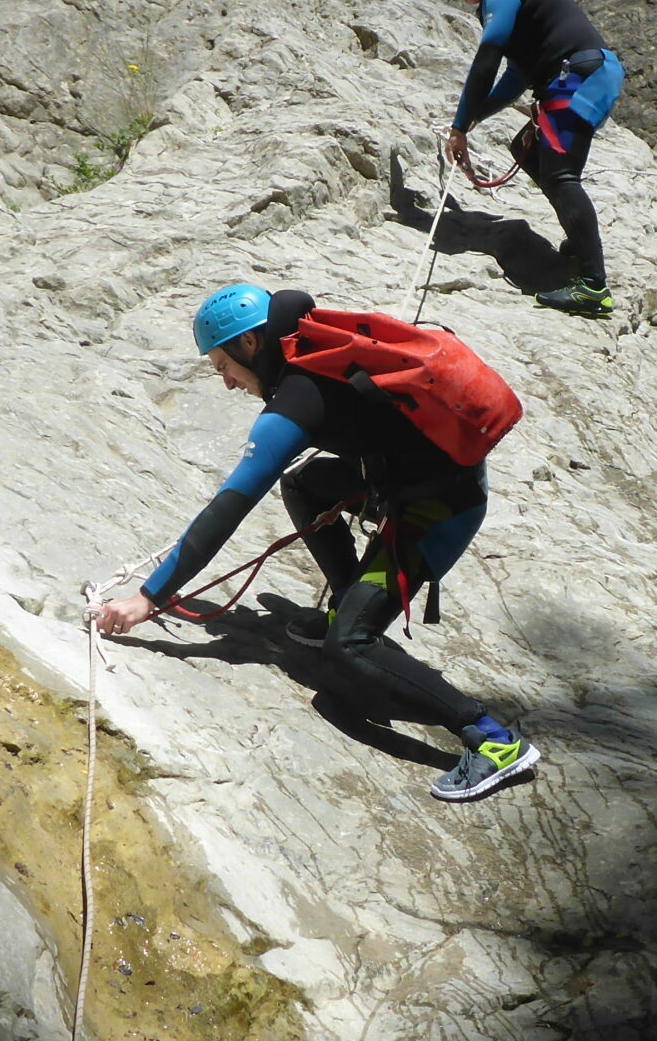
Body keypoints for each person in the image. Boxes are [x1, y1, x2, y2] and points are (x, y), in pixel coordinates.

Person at [92, 284, 541, 804]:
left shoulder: (299, 397)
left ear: (249, 346)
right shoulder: (309, 350)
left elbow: (230, 505)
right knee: (304, 485)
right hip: (409, 481)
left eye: (222, 366)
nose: (227, 383)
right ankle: (347, 608)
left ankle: (493, 739)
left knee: (348, 651)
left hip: (438, 511)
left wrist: (149, 598)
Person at [431, 0, 625, 320]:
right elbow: (515, 78)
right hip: (587, 74)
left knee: (561, 174)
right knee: (529, 150)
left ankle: (592, 288)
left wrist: (458, 127)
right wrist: (468, 124)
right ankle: (580, 245)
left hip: (576, 77)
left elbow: (489, 54)